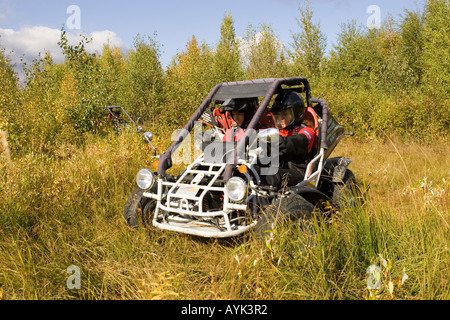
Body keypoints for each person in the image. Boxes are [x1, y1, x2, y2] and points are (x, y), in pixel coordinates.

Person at [261, 91, 316, 188]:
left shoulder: (307, 131)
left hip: (298, 172)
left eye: (285, 114)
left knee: (268, 176)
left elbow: (298, 141)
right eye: (278, 114)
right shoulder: (278, 132)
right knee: (252, 172)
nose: (281, 118)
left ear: (296, 113)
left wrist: (278, 142)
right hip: (278, 167)